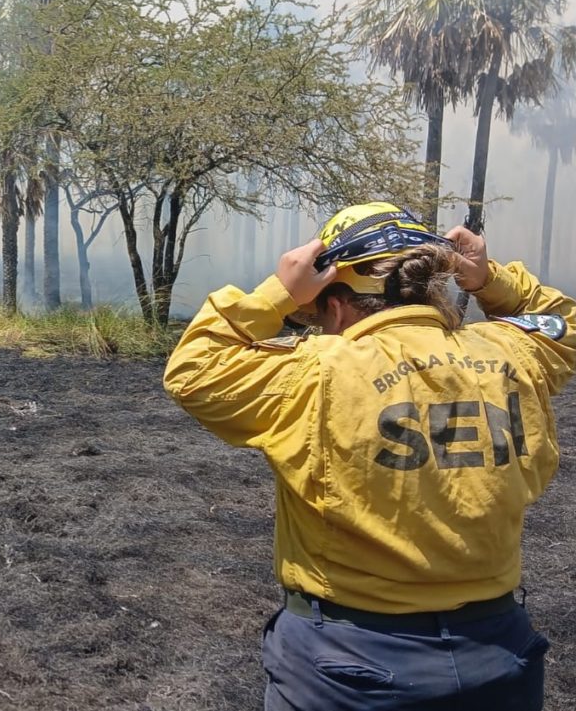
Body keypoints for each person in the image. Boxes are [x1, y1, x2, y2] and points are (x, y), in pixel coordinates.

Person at [163, 201, 576, 711]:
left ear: (335, 306)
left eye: (316, 314)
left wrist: (280, 293)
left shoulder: (318, 369)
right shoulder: (510, 352)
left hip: (350, 662)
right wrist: (489, 280)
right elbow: (561, 322)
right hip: (500, 653)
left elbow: (194, 370)